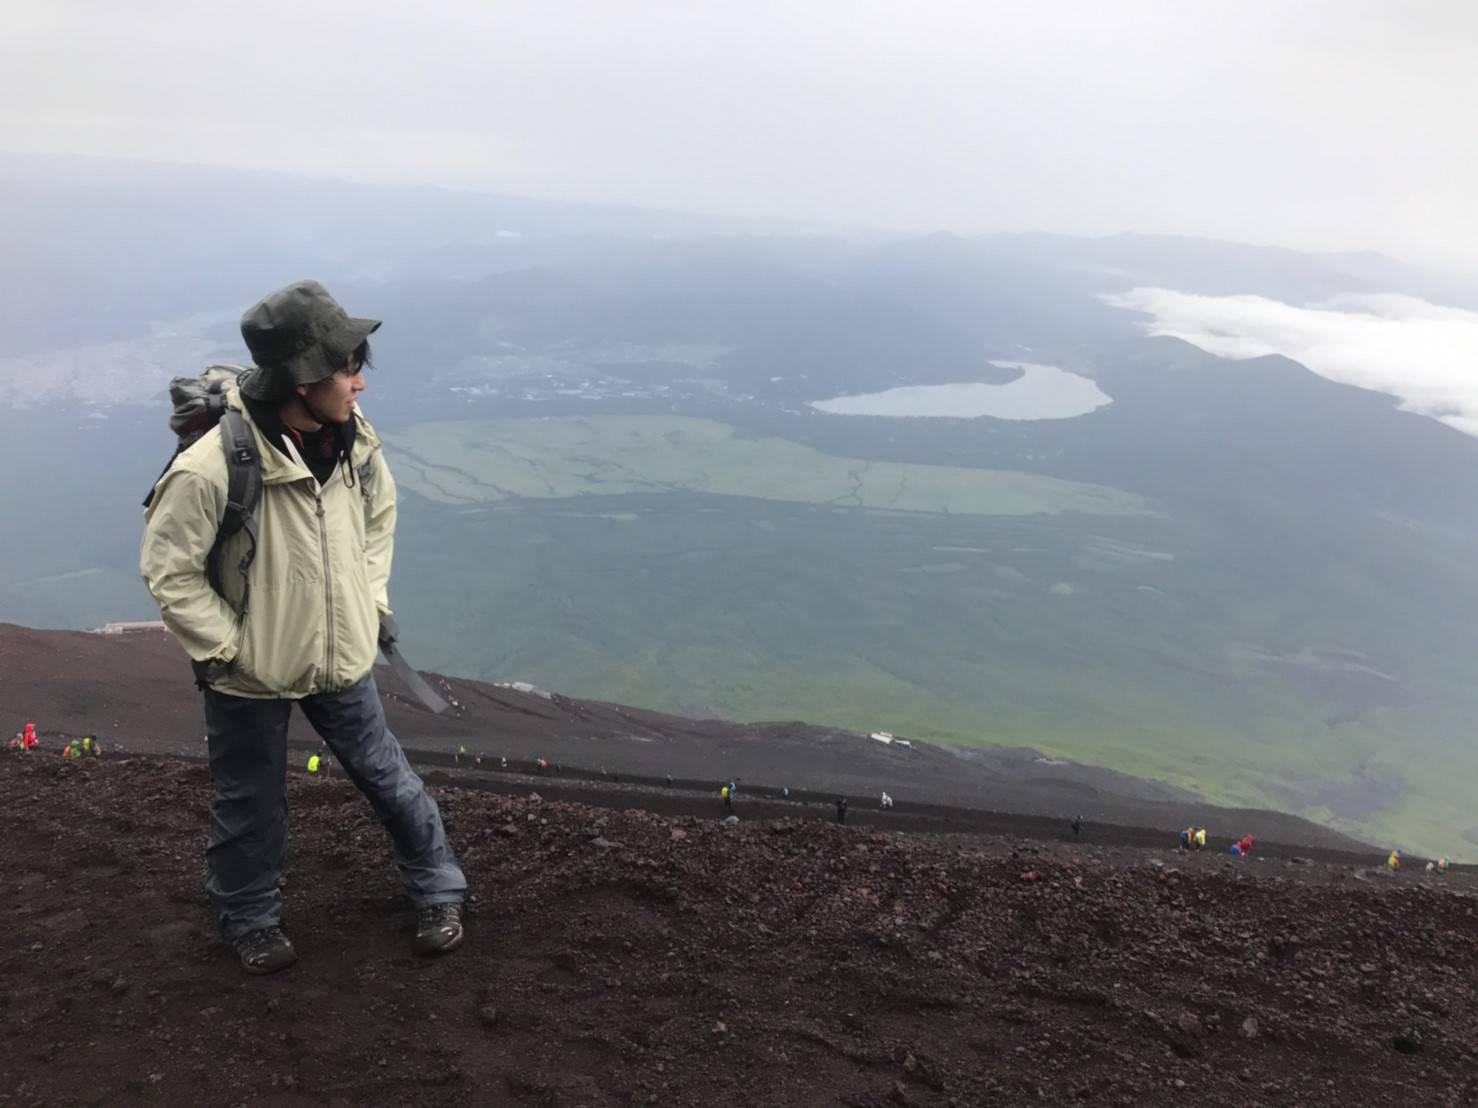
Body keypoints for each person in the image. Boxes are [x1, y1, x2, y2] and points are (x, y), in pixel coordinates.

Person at [141, 281, 466, 976]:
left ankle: (439, 892)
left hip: (341, 653)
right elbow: (170, 572)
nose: (359, 384)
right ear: (303, 379)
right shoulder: (212, 467)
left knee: (388, 778)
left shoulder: (352, 438)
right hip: (249, 673)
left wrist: (367, 601)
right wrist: (233, 649)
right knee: (250, 804)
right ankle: (250, 920)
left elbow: (378, 517)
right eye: (347, 370)